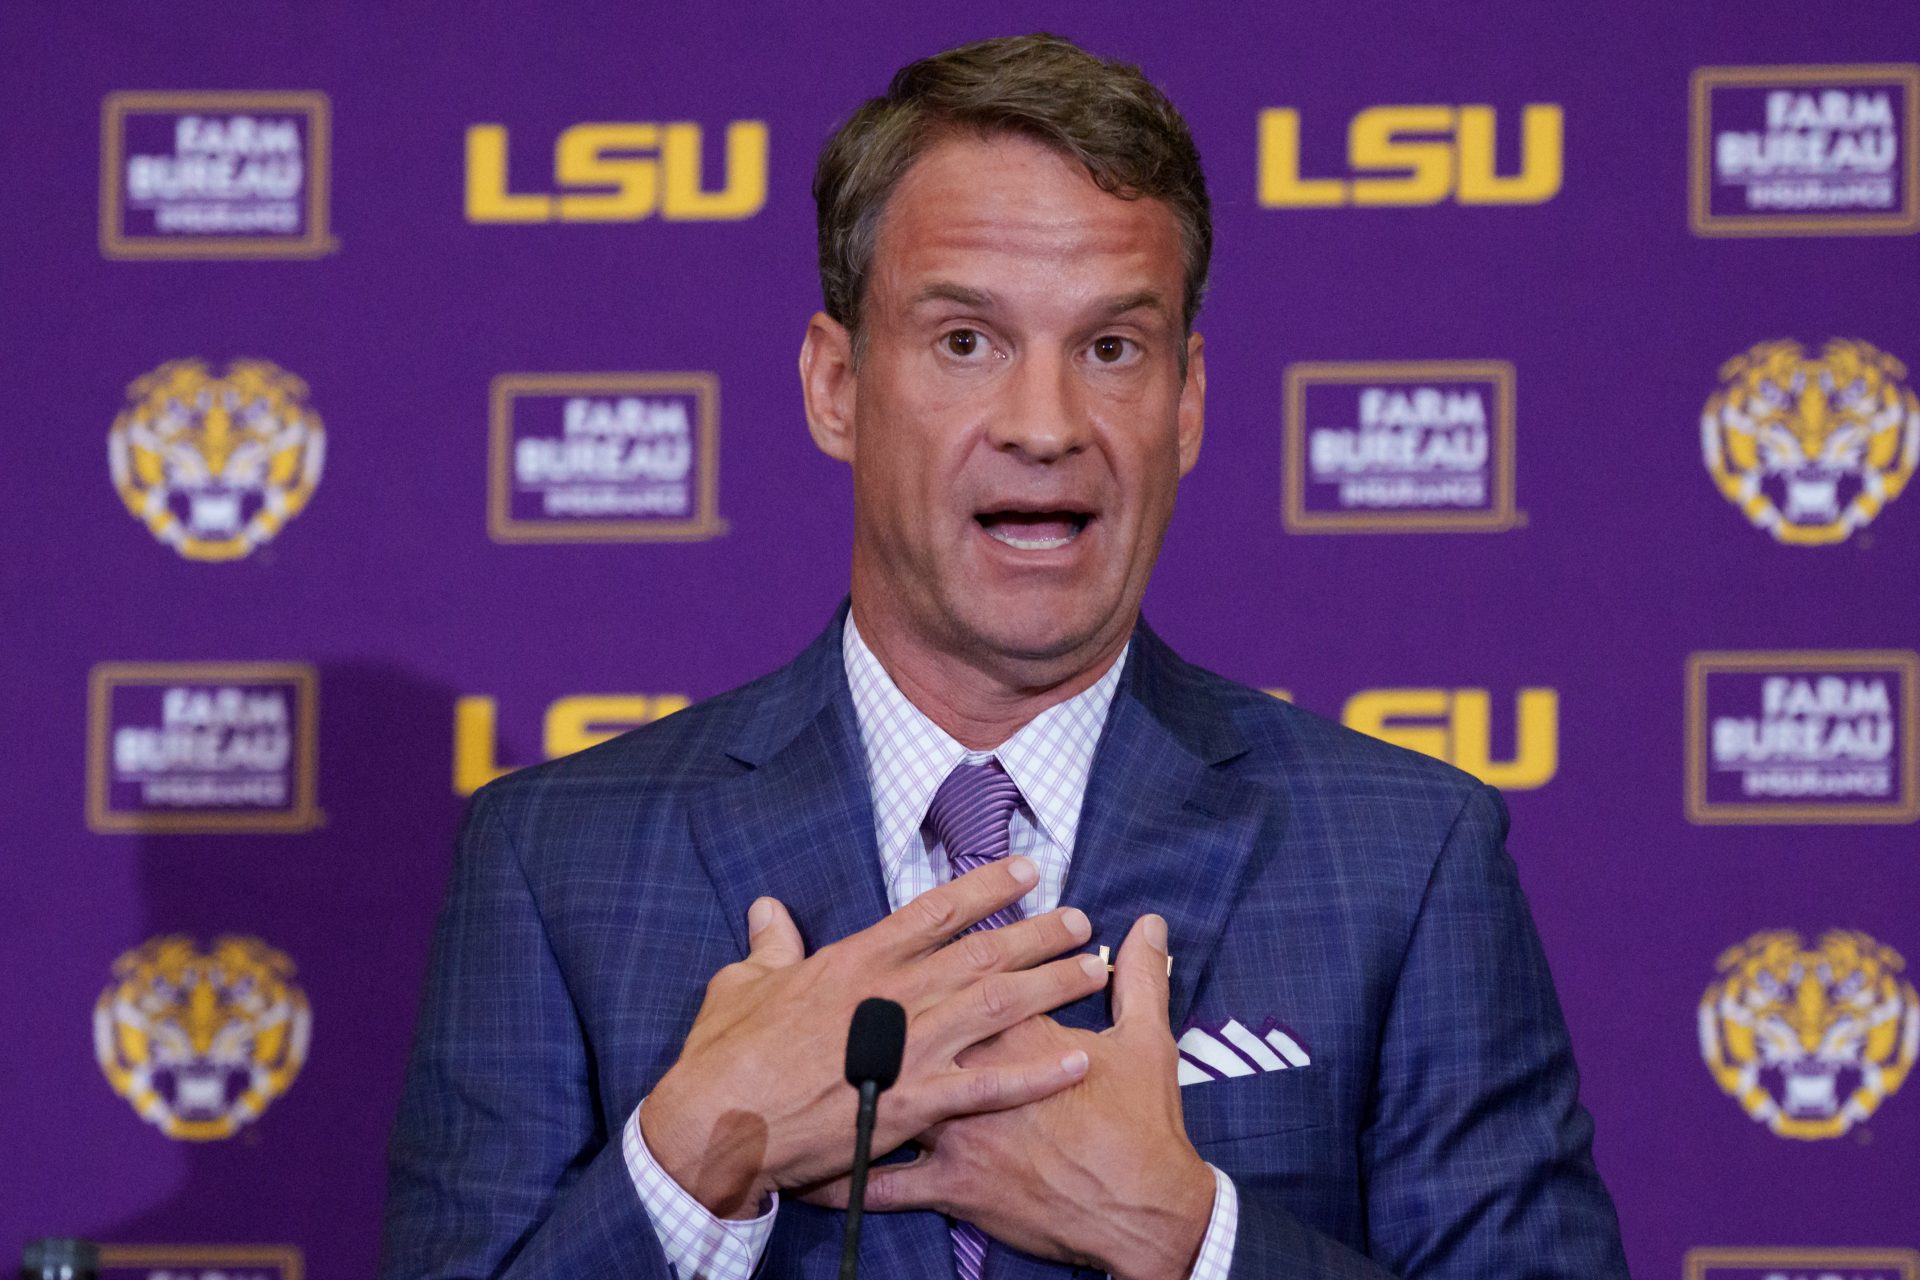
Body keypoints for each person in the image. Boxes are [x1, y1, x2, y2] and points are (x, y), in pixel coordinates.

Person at [381, 34, 1630, 1280]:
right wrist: (693, 1159)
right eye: (967, 341)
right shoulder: (556, 861)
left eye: (1111, 348)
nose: (1046, 426)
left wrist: (1192, 1237)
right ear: (835, 385)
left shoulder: (1407, 857)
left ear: (1186, 402)